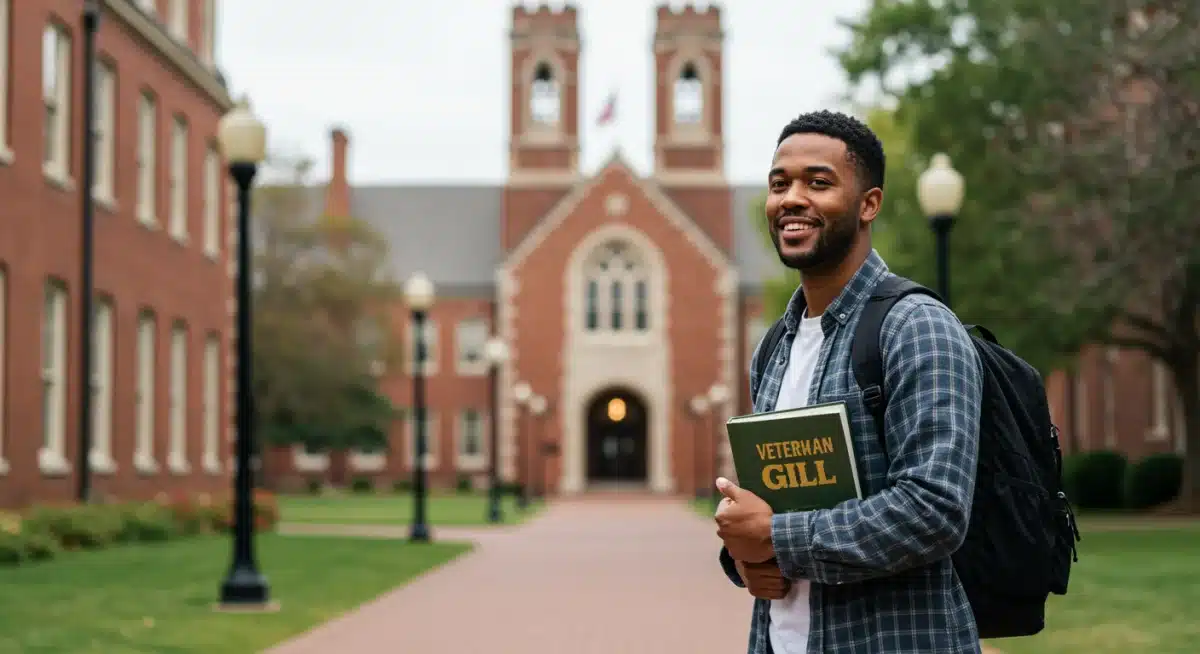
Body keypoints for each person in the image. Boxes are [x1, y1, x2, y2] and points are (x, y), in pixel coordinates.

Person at [713, 110, 984, 654]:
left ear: (869, 204)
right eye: (779, 183)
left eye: (818, 182)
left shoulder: (916, 327)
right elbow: (780, 504)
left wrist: (774, 537)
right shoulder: (775, 347)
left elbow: (934, 510)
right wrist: (743, 558)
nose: (791, 198)